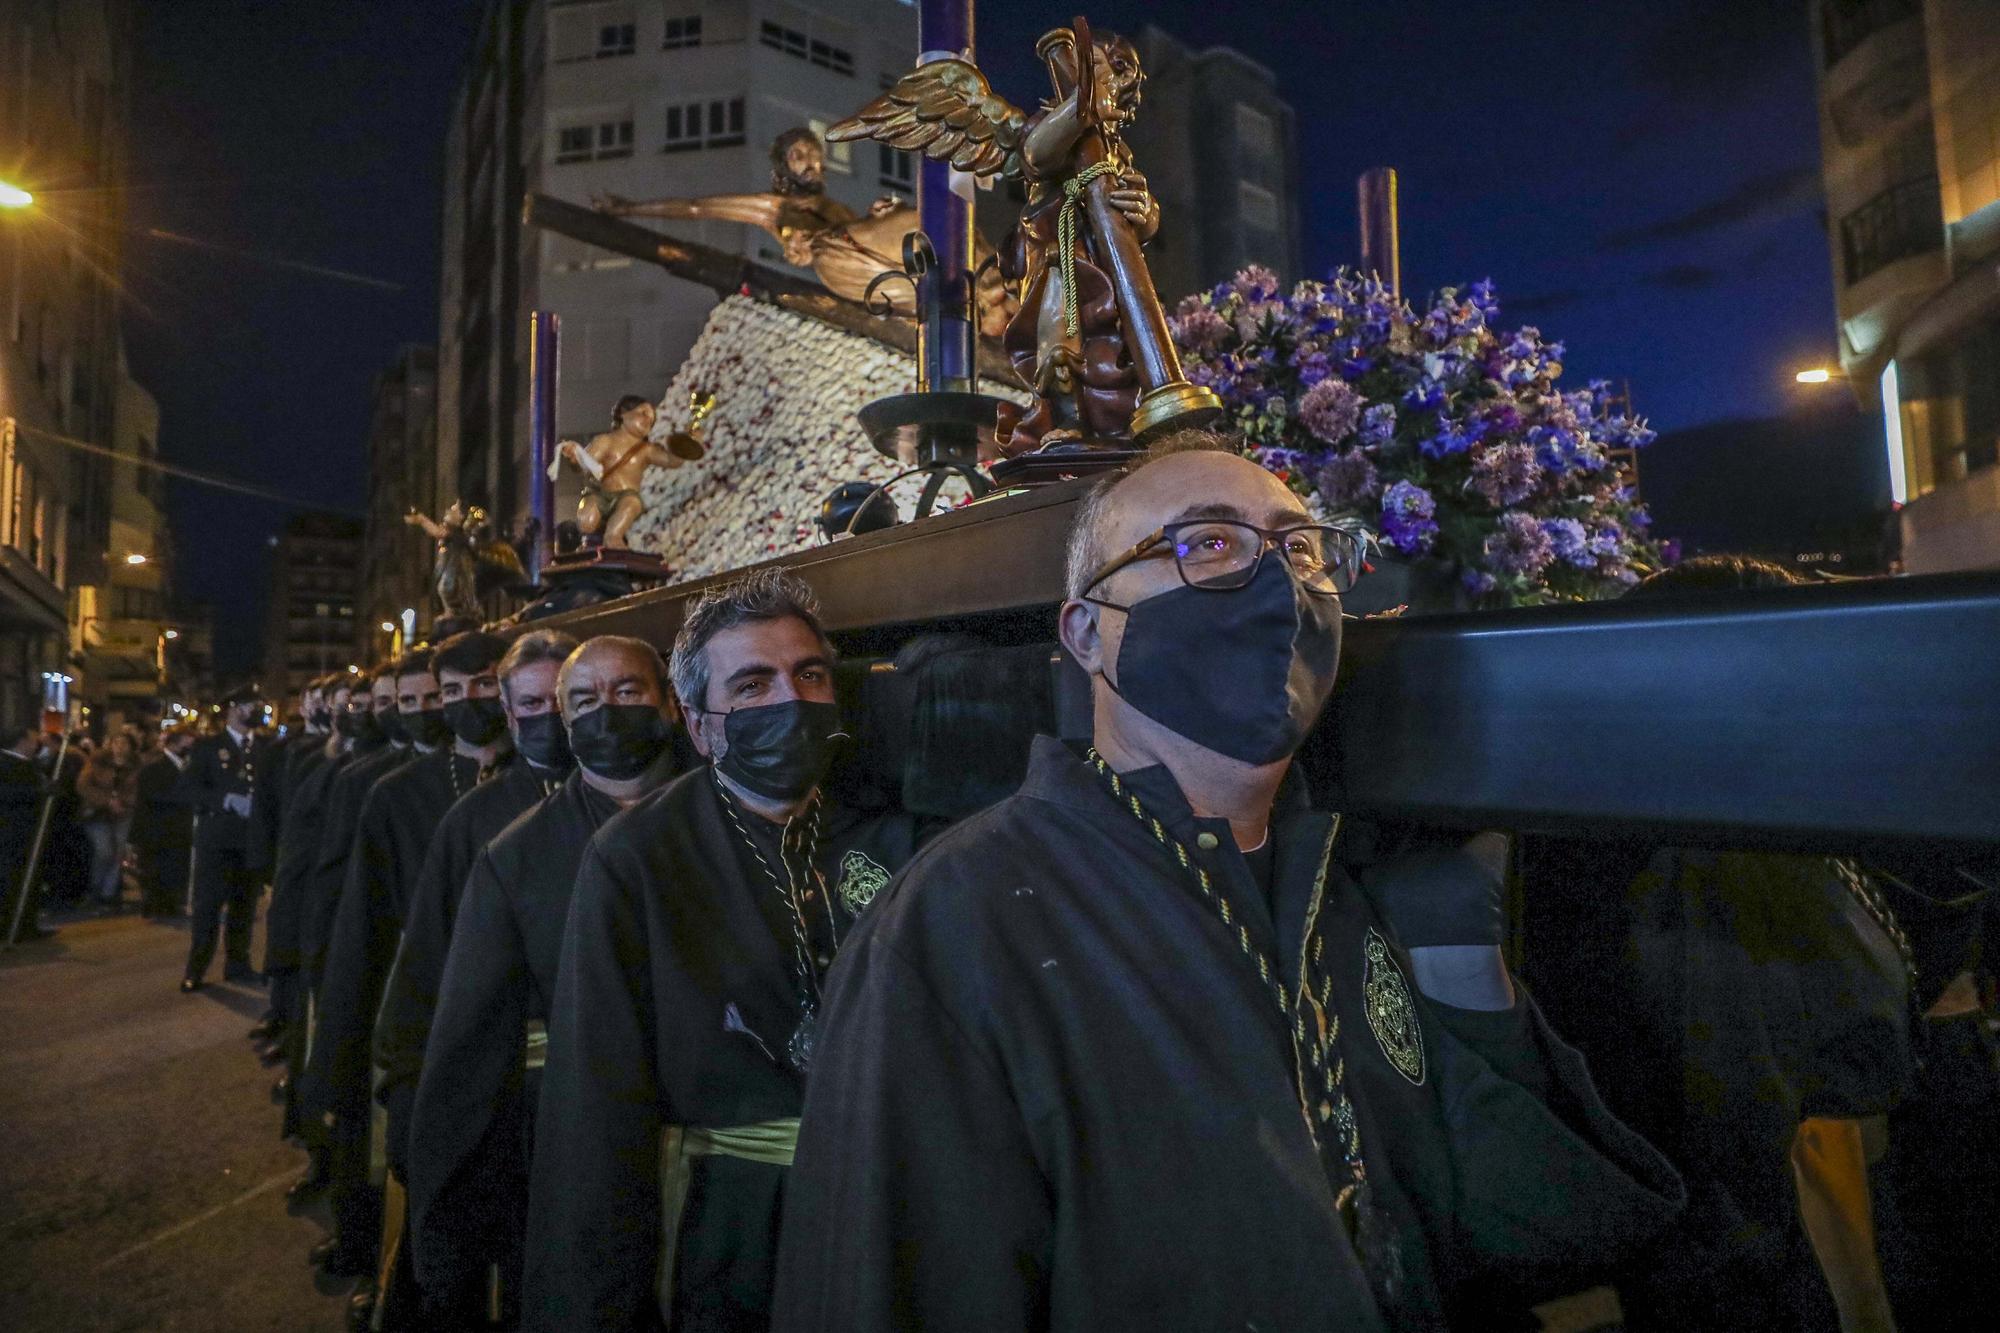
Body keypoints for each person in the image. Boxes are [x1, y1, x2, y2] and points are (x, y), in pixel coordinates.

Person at [772, 432, 1684, 1332]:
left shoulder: (1334, 886)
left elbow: (1500, 1228)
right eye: (1208, 543)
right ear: (1087, 631)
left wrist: (1473, 994)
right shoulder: (955, 924)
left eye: (1301, 548)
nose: (1278, 580)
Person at [523, 570, 926, 1332]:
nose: (790, 699)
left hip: (883, 1195)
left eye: (808, 674)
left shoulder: (894, 830)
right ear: (701, 725)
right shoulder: (637, 856)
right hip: (728, 1221)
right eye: (751, 684)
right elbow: (598, 1097)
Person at [409, 634, 682, 1329]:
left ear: (672, 705)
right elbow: (465, 1043)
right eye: (585, 699)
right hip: (568, 1134)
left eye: (628, 691)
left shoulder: (720, 821)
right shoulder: (514, 852)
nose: (607, 712)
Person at [308, 634, 511, 1326]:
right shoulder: (396, 796)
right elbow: (362, 935)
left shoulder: (543, 778)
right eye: (452, 691)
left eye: (484, 683)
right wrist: (339, 1053)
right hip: (424, 1015)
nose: (467, 702)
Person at [373, 630, 579, 1232]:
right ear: (511, 717)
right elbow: (430, 957)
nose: (550, 718)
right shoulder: (472, 821)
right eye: (532, 705)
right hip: (514, 1084)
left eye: (563, 701)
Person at [179, 686, 267, 991]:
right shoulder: (208, 747)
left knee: (244, 908)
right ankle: (196, 968)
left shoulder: (265, 747)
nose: (256, 708)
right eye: (249, 704)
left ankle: (238, 964)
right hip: (216, 839)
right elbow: (189, 788)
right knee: (208, 907)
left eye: (258, 703)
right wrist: (224, 799)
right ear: (232, 708)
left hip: (249, 840)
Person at [131, 726, 196, 917]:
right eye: (186, 742)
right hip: (158, 827)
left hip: (176, 828)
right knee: (156, 868)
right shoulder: (155, 766)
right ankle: (156, 904)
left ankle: (170, 902)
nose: (189, 747)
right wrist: (186, 797)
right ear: (173, 744)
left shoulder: (185, 766)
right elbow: (154, 795)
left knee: (173, 867)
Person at [78, 728, 141, 911]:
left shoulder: (137, 766)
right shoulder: (97, 761)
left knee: (118, 853)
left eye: (124, 744)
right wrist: (106, 801)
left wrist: (124, 802)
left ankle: (108, 892)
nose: (120, 747)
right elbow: (83, 785)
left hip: (124, 813)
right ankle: (94, 888)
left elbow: (138, 790)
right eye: (116, 743)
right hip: (98, 813)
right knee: (103, 850)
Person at [2, 712, 50, 941]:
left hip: (28, 834)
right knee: (12, 880)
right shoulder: (6, 764)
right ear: (21, 741)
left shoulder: (29, 765)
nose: (36, 744)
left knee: (28, 879)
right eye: (32, 739)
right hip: (11, 835)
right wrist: (37, 792)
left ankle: (27, 923)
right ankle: (11, 925)